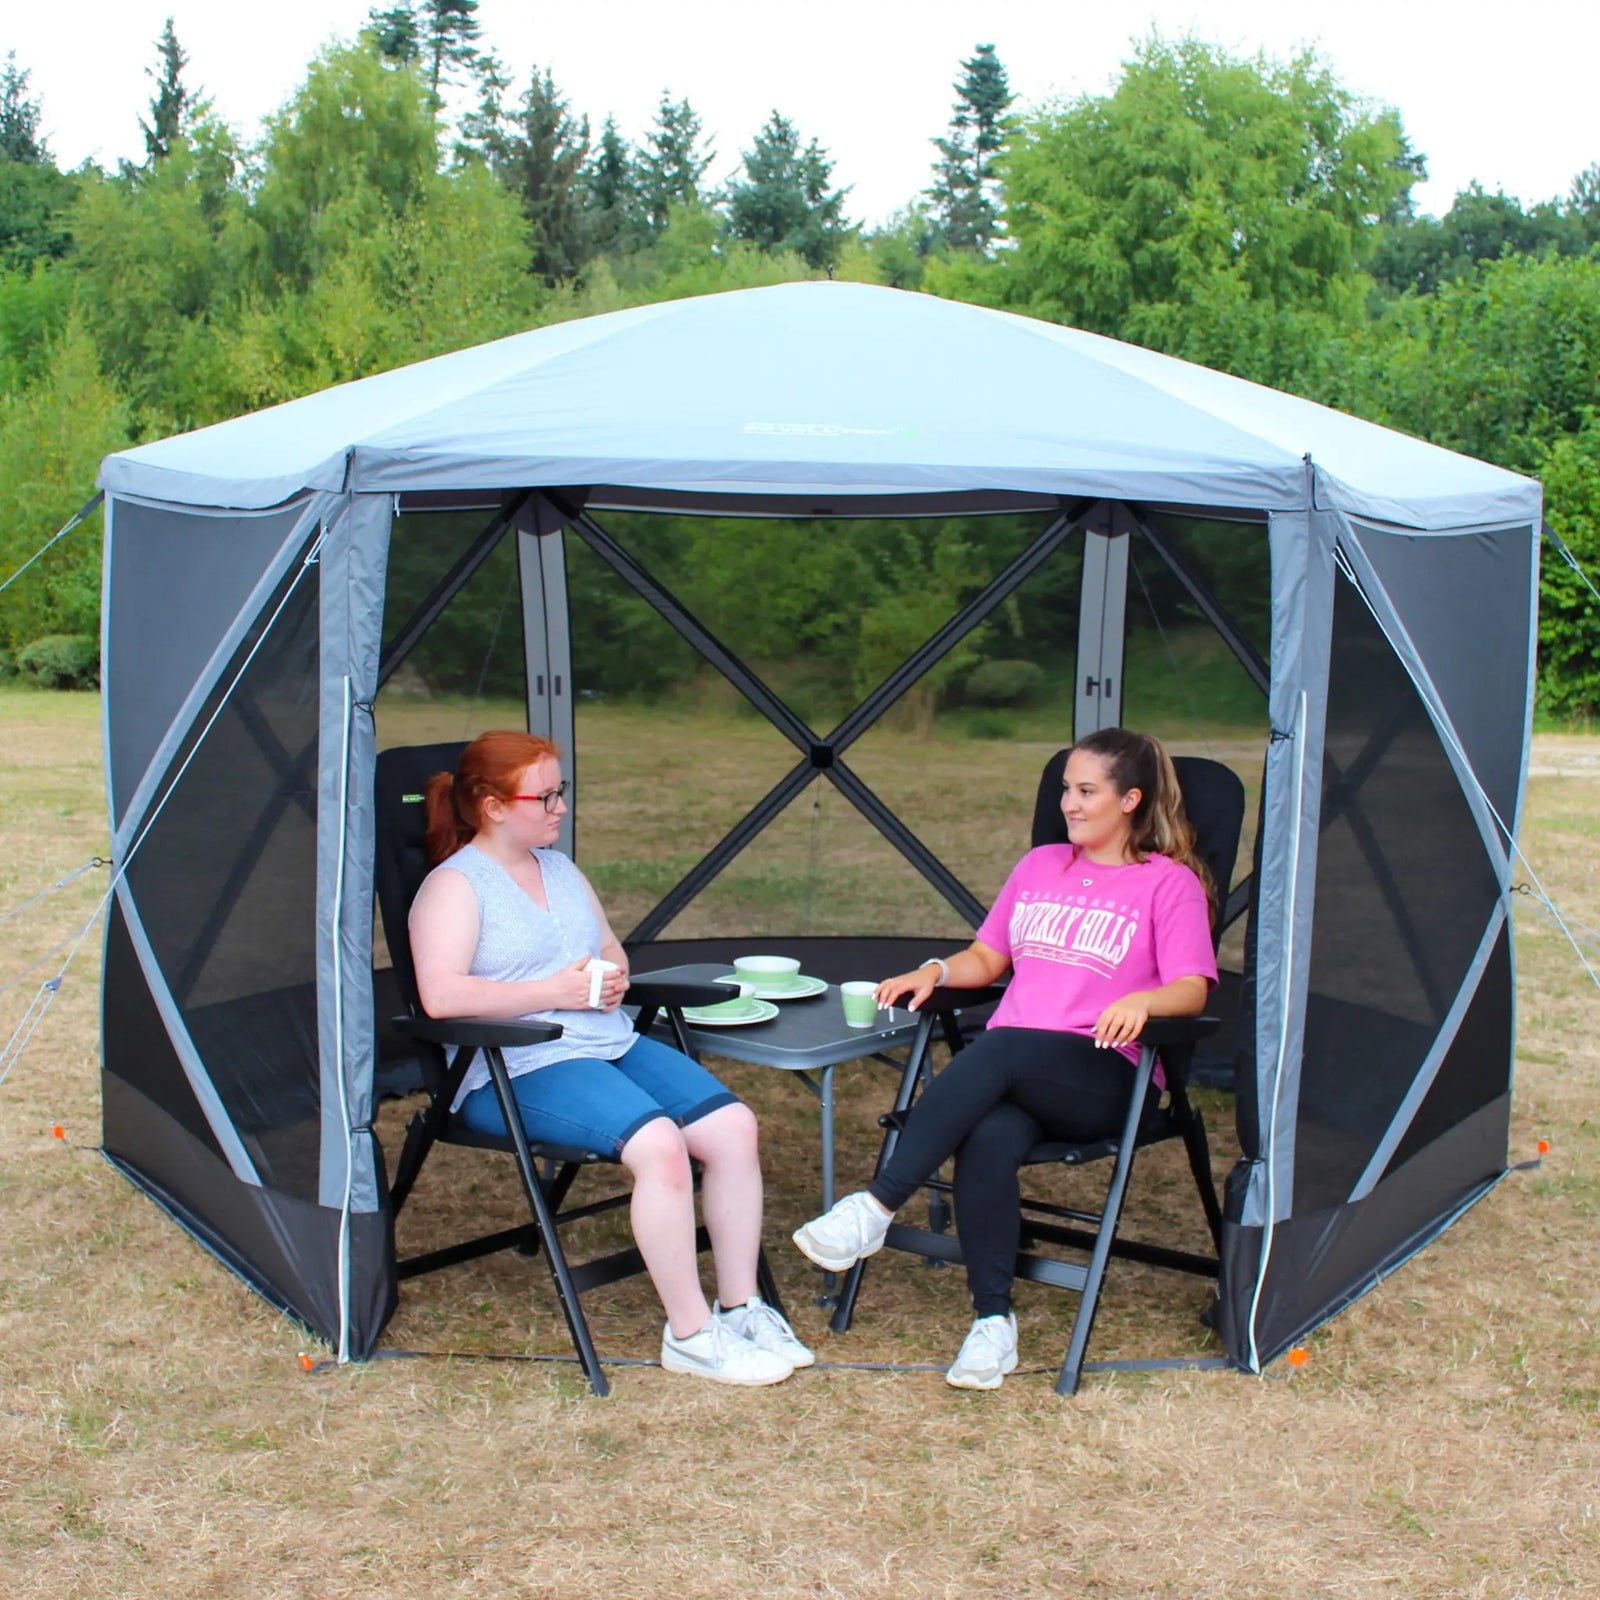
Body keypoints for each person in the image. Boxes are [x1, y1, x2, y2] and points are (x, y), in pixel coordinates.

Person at [793, 728, 1216, 1390]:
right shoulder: (1041, 866)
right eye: (1065, 790)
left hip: (1104, 1073)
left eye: (1086, 791)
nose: (1069, 804)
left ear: (1130, 799)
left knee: (1004, 1044)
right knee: (988, 1135)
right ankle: (993, 1324)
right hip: (1014, 1073)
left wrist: (1147, 1001)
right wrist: (934, 970)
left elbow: (1193, 988)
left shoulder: (1169, 885)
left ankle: (876, 1207)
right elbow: (989, 959)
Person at [408, 730, 812, 1387]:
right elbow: (441, 995)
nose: (561, 807)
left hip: (604, 1039)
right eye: (546, 796)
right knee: (659, 1146)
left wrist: (612, 977)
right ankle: (690, 1334)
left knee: (735, 1128)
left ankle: (742, 1309)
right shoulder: (454, 888)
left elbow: (610, 949)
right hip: (516, 1065)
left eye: (561, 791)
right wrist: (554, 992)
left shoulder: (560, 870)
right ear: (492, 806)